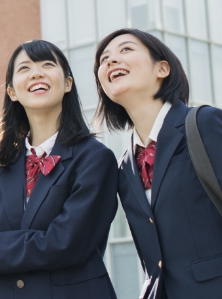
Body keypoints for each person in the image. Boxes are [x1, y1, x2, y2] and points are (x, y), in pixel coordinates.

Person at [0, 39, 117, 298]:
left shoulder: (95, 159)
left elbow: (67, 243)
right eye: (24, 68)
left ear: (68, 83)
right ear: (12, 92)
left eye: (47, 64)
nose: (36, 72)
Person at [94, 28, 222, 298]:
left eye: (126, 49)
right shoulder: (124, 166)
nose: (110, 61)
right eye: (104, 59)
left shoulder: (204, 125)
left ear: (162, 68)